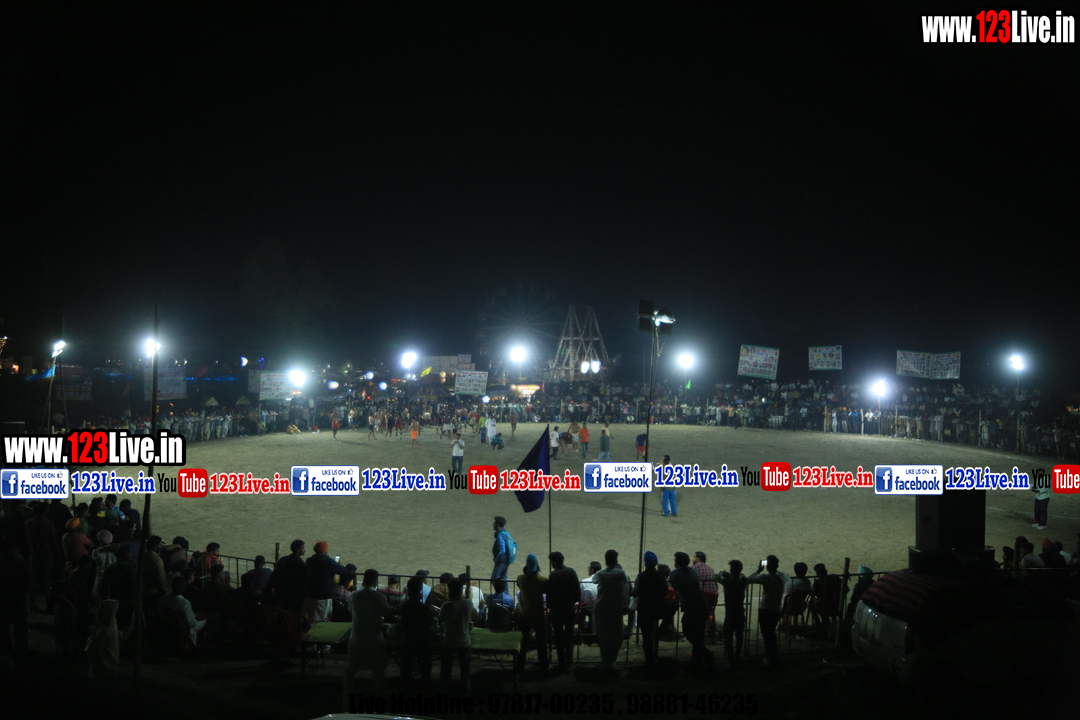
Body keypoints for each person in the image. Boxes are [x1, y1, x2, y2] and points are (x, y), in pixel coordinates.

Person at [344, 569, 391, 704]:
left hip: (356, 638)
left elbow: (350, 610)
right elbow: (387, 611)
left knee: (350, 670)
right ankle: (379, 697)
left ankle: (346, 699)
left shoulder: (354, 595)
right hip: (374, 638)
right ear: (375, 581)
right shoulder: (379, 596)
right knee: (377, 670)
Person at [670, 551, 713, 671]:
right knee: (698, 634)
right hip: (701, 604)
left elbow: (674, 587)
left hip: (691, 606)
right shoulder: (693, 572)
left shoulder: (675, 573)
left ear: (677, 562)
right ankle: (697, 661)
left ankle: (704, 654)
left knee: (687, 630)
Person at [747, 555, 789, 669]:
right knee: (771, 633)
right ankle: (773, 657)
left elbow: (749, 579)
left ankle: (771, 658)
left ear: (767, 566)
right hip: (777, 609)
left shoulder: (765, 577)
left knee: (767, 634)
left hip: (765, 609)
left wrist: (758, 570)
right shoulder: (783, 576)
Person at [593, 549, 628, 676]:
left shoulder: (600, 573)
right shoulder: (621, 573)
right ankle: (610, 661)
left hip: (602, 608)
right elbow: (625, 582)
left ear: (606, 560)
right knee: (616, 634)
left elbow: (594, 580)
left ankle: (605, 661)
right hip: (615, 608)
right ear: (616, 560)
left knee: (603, 635)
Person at [439, 578, 477, 692]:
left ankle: (445, 689)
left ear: (450, 591)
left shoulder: (446, 606)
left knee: (446, 669)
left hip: (449, 642)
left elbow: (441, 619)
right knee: (465, 668)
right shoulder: (468, 603)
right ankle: (465, 688)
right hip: (464, 642)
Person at [546, 552, 580, 674]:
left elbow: (549, 594)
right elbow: (577, 590)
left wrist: (550, 606)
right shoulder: (571, 572)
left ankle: (562, 663)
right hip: (569, 608)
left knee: (559, 637)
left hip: (557, 610)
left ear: (554, 562)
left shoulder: (553, 575)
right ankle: (569, 662)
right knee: (569, 636)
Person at [632, 551, 667, 669]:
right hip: (658, 609)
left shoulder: (641, 576)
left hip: (645, 609)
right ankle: (654, 658)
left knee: (646, 637)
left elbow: (635, 592)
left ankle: (650, 661)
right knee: (653, 634)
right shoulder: (661, 576)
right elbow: (665, 591)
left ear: (645, 563)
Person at [399, 577, 435, 689]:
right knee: (425, 668)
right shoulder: (424, 608)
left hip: (408, 640)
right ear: (419, 590)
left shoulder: (404, 606)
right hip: (422, 641)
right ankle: (425, 687)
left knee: (406, 668)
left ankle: (405, 687)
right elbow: (430, 623)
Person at [516, 554, 548, 672]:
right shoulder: (542, 580)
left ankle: (520, 665)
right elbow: (545, 590)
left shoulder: (521, 578)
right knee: (541, 640)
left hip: (524, 613)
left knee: (523, 641)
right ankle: (544, 664)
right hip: (538, 613)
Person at [713, 560, 748, 669]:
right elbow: (737, 577)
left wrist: (722, 574)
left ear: (731, 569)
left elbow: (715, 577)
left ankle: (731, 659)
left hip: (730, 612)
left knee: (728, 636)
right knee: (739, 635)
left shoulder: (727, 581)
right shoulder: (743, 578)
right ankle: (737, 656)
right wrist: (728, 574)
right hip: (740, 610)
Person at [157, 575, 206, 646]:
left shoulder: (163, 598)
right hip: (183, 630)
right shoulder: (184, 603)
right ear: (184, 588)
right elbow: (191, 623)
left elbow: (160, 613)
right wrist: (199, 618)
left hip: (166, 627)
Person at [266, 539, 307, 614]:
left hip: (280, 593)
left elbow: (274, 576)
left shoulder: (283, 560)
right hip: (294, 596)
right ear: (298, 550)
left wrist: (267, 589)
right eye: (303, 548)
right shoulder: (301, 563)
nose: (305, 550)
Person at [491, 517, 513, 581]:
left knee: (494, 579)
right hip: (506, 560)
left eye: (494, 524)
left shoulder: (500, 535)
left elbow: (502, 551)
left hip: (501, 561)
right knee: (504, 579)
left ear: (498, 525)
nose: (493, 525)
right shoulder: (506, 533)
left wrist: (496, 559)